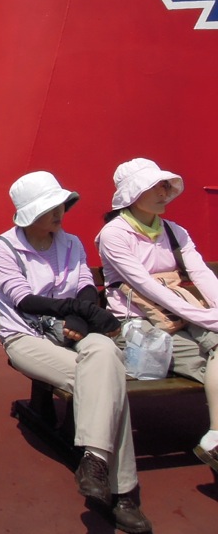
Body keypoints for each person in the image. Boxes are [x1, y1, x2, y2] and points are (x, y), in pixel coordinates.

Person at [0, 171, 151, 534]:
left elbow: (85, 284)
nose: (59, 212)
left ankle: (93, 460)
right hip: (27, 337)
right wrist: (78, 310)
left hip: (73, 330)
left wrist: (80, 315)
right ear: (29, 214)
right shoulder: (1, 248)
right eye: (50, 208)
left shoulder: (71, 243)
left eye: (61, 204)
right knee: (108, 383)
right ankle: (123, 494)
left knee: (105, 352)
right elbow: (23, 299)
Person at [96, 158, 218, 474]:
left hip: (186, 314)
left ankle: (215, 437)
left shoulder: (174, 231)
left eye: (165, 185)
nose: (164, 193)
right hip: (143, 325)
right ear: (133, 194)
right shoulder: (114, 235)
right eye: (155, 187)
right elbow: (147, 287)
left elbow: (201, 274)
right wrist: (209, 319)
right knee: (202, 361)